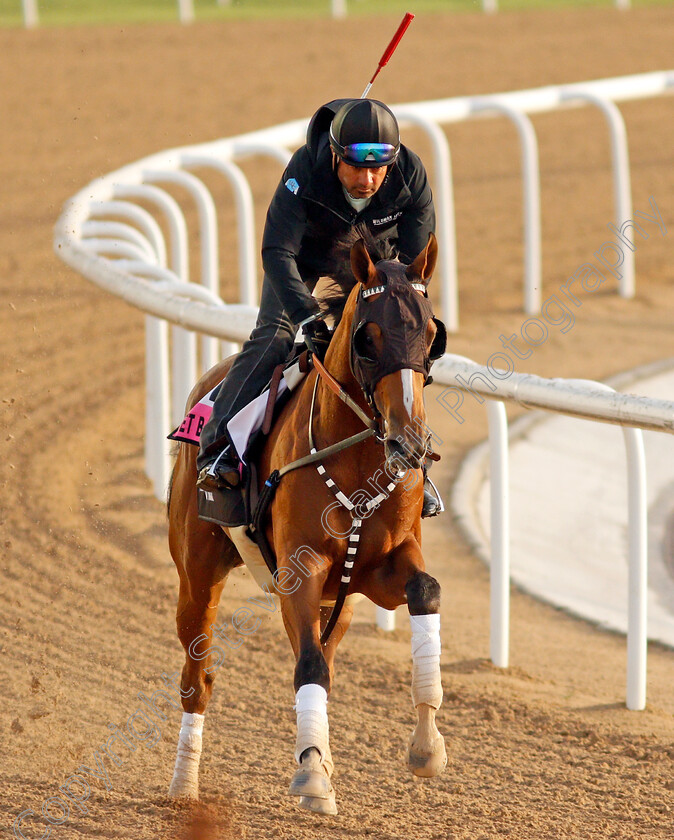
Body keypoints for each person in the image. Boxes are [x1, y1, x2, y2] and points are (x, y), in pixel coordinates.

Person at [197, 97, 442, 516]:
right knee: (273, 337)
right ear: (334, 155)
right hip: (303, 258)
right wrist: (306, 317)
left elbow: (415, 273)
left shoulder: (410, 176)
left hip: (374, 259)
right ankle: (218, 450)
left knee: (395, 346)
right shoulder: (304, 172)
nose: (368, 180)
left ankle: (413, 454)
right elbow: (276, 251)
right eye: (357, 167)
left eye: (377, 168)